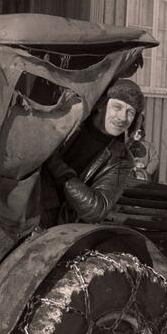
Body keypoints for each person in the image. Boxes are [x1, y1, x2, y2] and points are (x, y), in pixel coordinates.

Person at [40, 77, 143, 225]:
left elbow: (96, 210)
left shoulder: (122, 159)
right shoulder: (69, 124)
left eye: (130, 112)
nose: (122, 117)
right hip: (28, 201)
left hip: (59, 223)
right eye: (117, 107)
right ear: (102, 105)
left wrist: (58, 168)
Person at [127, 116, 160, 183]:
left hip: (143, 176)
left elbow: (155, 160)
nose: (137, 134)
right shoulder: (127, 145)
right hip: (128, 176)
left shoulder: (148, 146)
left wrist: (147, 172)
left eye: (139, 132)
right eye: (135, 132)